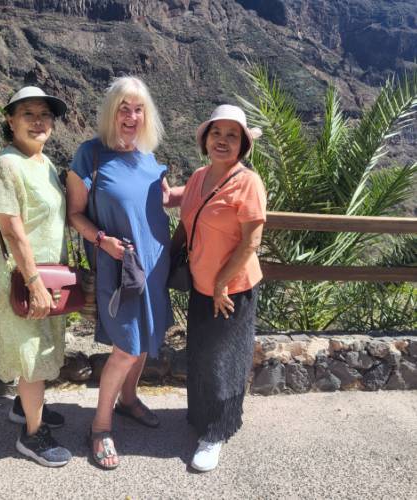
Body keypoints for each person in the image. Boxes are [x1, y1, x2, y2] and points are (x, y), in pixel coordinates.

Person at [67, 76, 183, 469]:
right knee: (127, 347)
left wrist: (217, 180)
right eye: (123, 109)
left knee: (146, 340)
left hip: (154, 265)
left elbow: (165, 199)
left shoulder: (149, 158)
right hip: (119, 267)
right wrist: (102, 241)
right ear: (110, 113)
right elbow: (74, 214)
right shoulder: (90, 155)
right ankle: (100, 427)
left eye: (138, 110)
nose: (131, 117)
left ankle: (128, 400)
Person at [0, 86, 72, 467]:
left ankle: (25, 406)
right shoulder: (7, 165)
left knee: (42, 347)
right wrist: (34, 282)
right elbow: (12, 229)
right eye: (28, 114)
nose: (38, 121)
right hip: (25, 278)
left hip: (48, 275)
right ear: (10, 120)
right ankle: (33, 436)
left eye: (45, 114)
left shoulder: (45, 162)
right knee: (32, 352)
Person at [177, 104, 266, 472]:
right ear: (205, 139)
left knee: (223, 361)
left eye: (232, 135)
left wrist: (221, 284)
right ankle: (200, 417)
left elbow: (251, 242)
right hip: (201, 284)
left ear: (243, 144)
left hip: (231, 290)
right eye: (217, 133)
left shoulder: (248, 183)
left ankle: (216, 432)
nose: (223, 141)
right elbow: (187, 217)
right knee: (200, 355)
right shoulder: (199, 177)